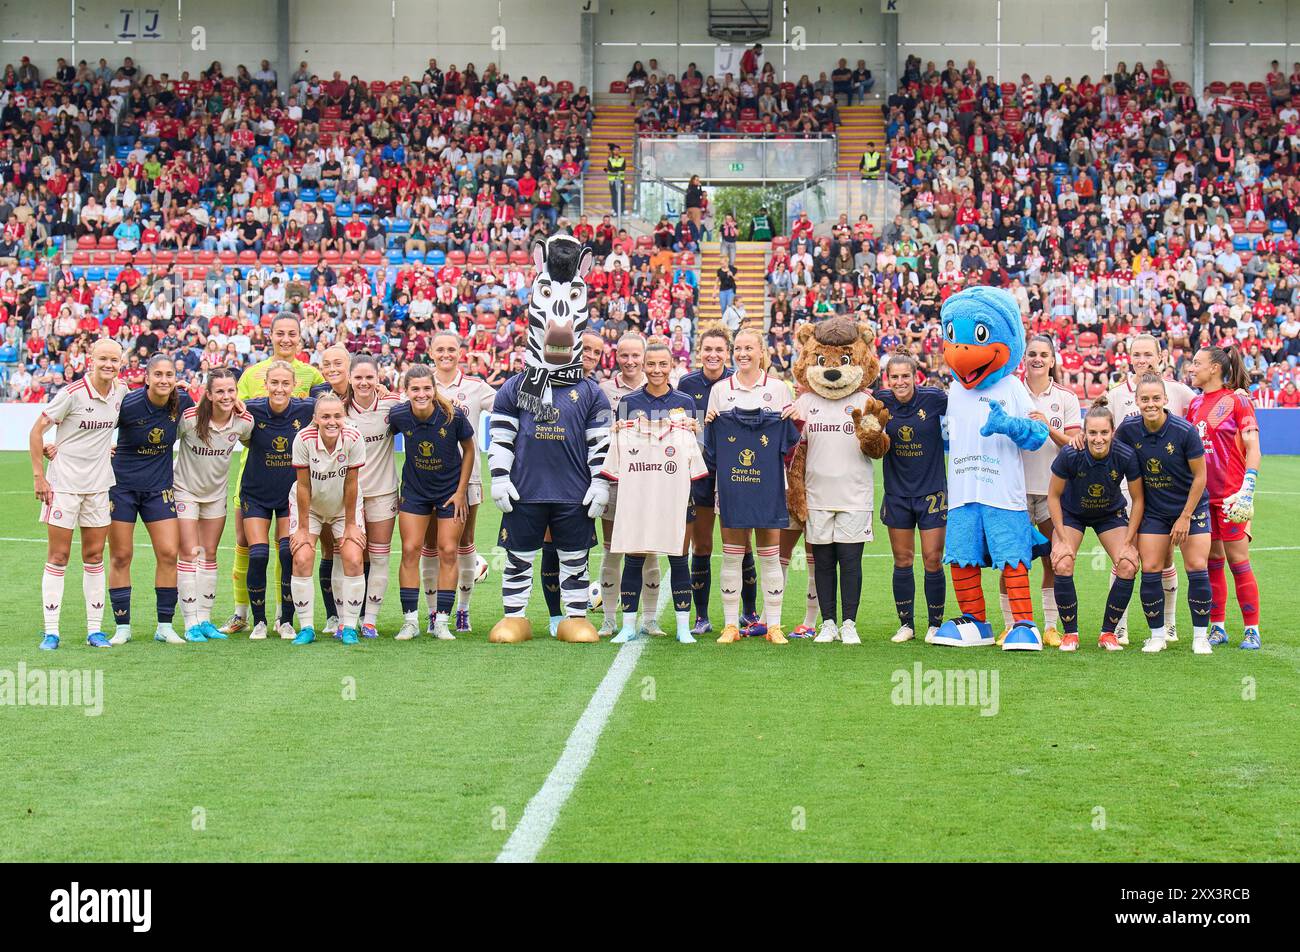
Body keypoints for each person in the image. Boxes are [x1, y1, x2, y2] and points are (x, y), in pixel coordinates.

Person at [221, 315, 326, 635]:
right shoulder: (251, 377)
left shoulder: (312, 377)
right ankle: (245, 615)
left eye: (292, 334)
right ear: (270, 336)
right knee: (249, 547)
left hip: (293, 484)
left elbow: (332, 410)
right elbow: (227, 406)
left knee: (286, 550)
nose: (286, 339)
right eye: (279, 333)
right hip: (252, 478)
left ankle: (284, 617)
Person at [601, 340, 704, 644]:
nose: (656, 370)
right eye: (651, 364)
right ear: (644, 366)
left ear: (672, 366)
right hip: (639, 494)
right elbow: (615, 446)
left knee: (677, 555)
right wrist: (617, 432)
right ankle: (628, 625)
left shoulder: (685, 400)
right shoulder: (629, 401)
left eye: (662, 364)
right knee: (634, 556)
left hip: (675, 494)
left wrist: (692, 429)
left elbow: (696, 446)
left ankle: (683, 627)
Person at [29, 339, 125, 650]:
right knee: (58, 556)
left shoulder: (121, 393)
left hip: (98, 487)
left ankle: (94, 631)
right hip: (64, 485)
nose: (108, 365)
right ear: (90, 360)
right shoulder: (71, 394)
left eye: (114, 359)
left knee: (95, 556)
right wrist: (38, 476)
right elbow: (36, 431)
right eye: (103, 359)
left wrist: (111, 448)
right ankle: (51, 632)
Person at [703, 327, 797, 644]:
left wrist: (795, 419)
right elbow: (710, 446)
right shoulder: (720, 391)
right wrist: (710, 421)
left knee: (769, 555)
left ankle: (774, 625)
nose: (742, 354)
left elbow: (792, 444)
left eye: (748, 348)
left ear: (761, 352)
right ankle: (731, 625)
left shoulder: (779, 389)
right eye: (738, 348)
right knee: (732, 555)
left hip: (769, 488)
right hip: (731, 488)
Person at [1104, 334, 1197, 644]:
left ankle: (1169, 624)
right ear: (1129, 358)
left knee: (1165, 559)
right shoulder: (1117, 395)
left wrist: (1235, 391)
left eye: (1148, 353)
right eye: (1136, 354)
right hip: (1130, 492)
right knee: (1125, 556)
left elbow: (1205, 410)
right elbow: (1108, 439)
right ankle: (1119, 625)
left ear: (1161, 356)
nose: (1142, 359)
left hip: (1166, 494)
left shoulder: (1179, 392)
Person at [1115, 375, 1214, 654]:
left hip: (1191, 508)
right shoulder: (1129, 429)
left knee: (1196, 566)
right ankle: (1157, 635)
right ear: (1136, 401)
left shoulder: (1185, 431)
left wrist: (1185, 517)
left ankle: (1200, 637)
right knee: (1151, 568)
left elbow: (1200, 477)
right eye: (1144, 399)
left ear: (1165, 399)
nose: (1150, 404)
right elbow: (1111, 452)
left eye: (1156, 398)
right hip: (1155, 511)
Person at [104, 353, 195, 645]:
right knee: (121, 556)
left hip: (159, 489)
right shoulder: (128, 404)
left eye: (169, 375)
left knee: (169, 553)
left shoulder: (183, 402)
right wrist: (105, 447)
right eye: (158, 375)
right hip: (122, 488)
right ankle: (122, 626)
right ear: (147, 377)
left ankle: (165, 626)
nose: (164, 380)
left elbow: (211, 413)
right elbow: (98, 425)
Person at [1047, 399, 1144, 652]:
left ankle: (1108, 634)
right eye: (1092, 433)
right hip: (1072, 514)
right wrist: (1061, 537)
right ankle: (1070, 634)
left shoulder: (1125, 455)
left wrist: (1129, 542)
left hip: (1109, 514)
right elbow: (1053, 496)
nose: (1098, 438)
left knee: (1128, 563)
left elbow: (1138, 499)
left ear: (1112, 432)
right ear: (1084, 432)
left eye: (1104, 432)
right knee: (1062, 561)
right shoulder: (1071, 454)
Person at [679, 327, 759, 636]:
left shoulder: (736, 383)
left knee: (741, 543)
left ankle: (749, 611)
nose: (713, 354)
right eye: (707, 348)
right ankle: (702, 616)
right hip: (699, 473)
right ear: (699, 351)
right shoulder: (687, 385)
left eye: (719, 349)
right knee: (702, 543)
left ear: (727, 353)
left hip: (735, 473)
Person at [391, 365, 476, 641]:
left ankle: (442, 622)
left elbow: (470, 449)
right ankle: (410, 621)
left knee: (448, 550)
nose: (421, 393)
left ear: (434, 389)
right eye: (415, 389)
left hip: (449, 492)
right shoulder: (399, 415)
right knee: (409, 549)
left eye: (426, 388)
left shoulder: (453, 415)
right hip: (415, 491)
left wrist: (461, 491)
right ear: (406, 391)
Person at [1187, 346, 1263, 649]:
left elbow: (1253, 445)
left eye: (1197, 363)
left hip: (1231, 497)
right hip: (1203, 498)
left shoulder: (1237, 401)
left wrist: (1248, 487)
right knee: (1212, 560)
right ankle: (1217, 626)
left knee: (1238, 560)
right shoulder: (1193, 405)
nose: (1192, 368)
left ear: (1215, 368)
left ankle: (1251, 629)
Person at [1009, 335, 1081, 647]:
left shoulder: (1065, 398)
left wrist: (1046, 427)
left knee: (1053, 559)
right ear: (1024, 359)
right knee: (1013, 560)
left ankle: (1051, 626)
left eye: (1043, 354)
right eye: (1032, 354)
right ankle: (1014, 625)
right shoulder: (1011, 393)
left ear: (1052, 361)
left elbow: (1076, 444)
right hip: (1016, 491)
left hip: (1054, 492)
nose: (1037, 359)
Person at [239, 361, 317, 641]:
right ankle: (258, 622)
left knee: (287, 554)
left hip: (290, 496)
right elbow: (220, 411)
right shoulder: (251, 409)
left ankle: (285, 620)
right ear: (266, 384)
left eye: (285, 383)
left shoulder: (307, 409)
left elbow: (338, 404)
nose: (280, 388)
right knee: (258, 555)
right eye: (275, 383)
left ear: (294, 385)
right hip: (256, 493)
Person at [174, 368, 254, 641]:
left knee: (209, 554)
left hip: (216, 496)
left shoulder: (243, 422)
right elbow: (162, 440)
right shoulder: (189, 419)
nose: (226, 396)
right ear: (208, 394)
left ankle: (205, 619)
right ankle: (190, 623)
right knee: (189, 552)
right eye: (219, 391)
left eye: (231, 390)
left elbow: (253, 441)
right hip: (184, 492)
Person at [874, 353, 949, 643]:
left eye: (906, 376)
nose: (900, 382)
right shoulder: (880, 401)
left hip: (931, 492)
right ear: (887, 379)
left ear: (915, 377)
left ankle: (935, 624)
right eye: (895, 377)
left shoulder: (934, 399)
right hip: (897, 494)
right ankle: (906, 625)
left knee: (932, 558)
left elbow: (967, 404)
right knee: (903, 559)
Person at [287, 393, 367, 645]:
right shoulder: (303, 439)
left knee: (353, 558)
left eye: (337, 416)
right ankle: (307, 627)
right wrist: (301, 529)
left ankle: (350, 627)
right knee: (302, 556)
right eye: (325, 416)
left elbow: (352, 483)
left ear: (344, 417)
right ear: (315, 419)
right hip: (309, 507)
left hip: (344, 508)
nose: (332, 422)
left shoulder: (353, 437)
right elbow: (303, 487)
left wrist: (351, 524)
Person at [597, 333, 664, 636]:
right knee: (612, 550)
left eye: (636, 356)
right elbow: (597, 434)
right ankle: (609, 617)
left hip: (651, 483)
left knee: (649, 550)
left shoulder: (662, 388)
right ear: (616, 357)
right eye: (624, 355)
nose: (631, 361)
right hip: (616, 480)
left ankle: (649, 618)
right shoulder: (604, 390)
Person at [430, 332, 496, 633]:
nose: (446, 354)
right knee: (432, 546)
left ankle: (463, 610)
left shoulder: (475, 387)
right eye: (440, 349)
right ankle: (433, 613)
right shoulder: (420, 383)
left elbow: (505, 407)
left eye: (451, 349)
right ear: (431, 352)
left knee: (465, 543)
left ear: (461, 353)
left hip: (467, 478)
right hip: (428, 477)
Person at [345, 354, 402, 639]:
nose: (364, 382)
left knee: (379, 558)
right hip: (347, 498)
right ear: (350, 379)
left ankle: (370, 621)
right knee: (352, 558)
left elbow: (421, 405)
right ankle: (347, 618)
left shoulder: (392, 406)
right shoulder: (338, 410)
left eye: (370, 377)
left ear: (378, 378)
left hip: (382, 493)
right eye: (359, 377)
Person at [605, 143, 626, 218]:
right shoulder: (610, 159)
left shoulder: (622, 159)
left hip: (620, 179)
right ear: (613, 151)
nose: (616, 151)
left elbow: (623, 168)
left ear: (619, 151)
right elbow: (610, 169)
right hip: (612, 180)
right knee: (614, 196)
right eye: (615, 150)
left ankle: (622, 211)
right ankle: (615, 211)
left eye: (618, 150)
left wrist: (615, 168)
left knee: (622, 196)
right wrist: (617, 169)